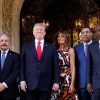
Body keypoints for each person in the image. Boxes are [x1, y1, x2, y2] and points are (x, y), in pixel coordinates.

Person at [20, 23, 59, 100]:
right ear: (33, 32)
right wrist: (22, 80)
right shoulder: (25, 47)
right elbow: (22, 65)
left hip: (46, 84)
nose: (39, 31)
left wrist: (56, 81)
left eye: (41, 29)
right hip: (29, 84)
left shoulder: (52, 48)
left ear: (45, 33)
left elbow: (56, 66)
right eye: (37, 29)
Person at [51, 30, 78, 100]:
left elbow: (73, 67)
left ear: (66, 38)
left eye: (62, 36)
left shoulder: (70, 50)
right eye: (58, 36)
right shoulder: (54, 50)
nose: (60, 38)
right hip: (56, 79)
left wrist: (72, 84)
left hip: (67, 80)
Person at [74, 27, 93, 100]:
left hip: (95, 83)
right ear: (80, 35)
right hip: (81, 83)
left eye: (87, 32)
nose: (85, 34)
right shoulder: (76, 49)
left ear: (91, 34)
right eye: (83, 32)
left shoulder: (97, 46)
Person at [0, 34, 19, 100]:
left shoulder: (16, 56)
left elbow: (15, 72)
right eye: (1, 41)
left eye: (6, 41)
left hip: (10, 92)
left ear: (9, 43)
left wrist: (4, 85)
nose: (4, 42)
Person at [87, 24, 100, 100]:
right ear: (96, 33)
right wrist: (88, 82)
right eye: (99, 30)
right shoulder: (91, 46)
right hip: (96, 83)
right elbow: (89, 65)